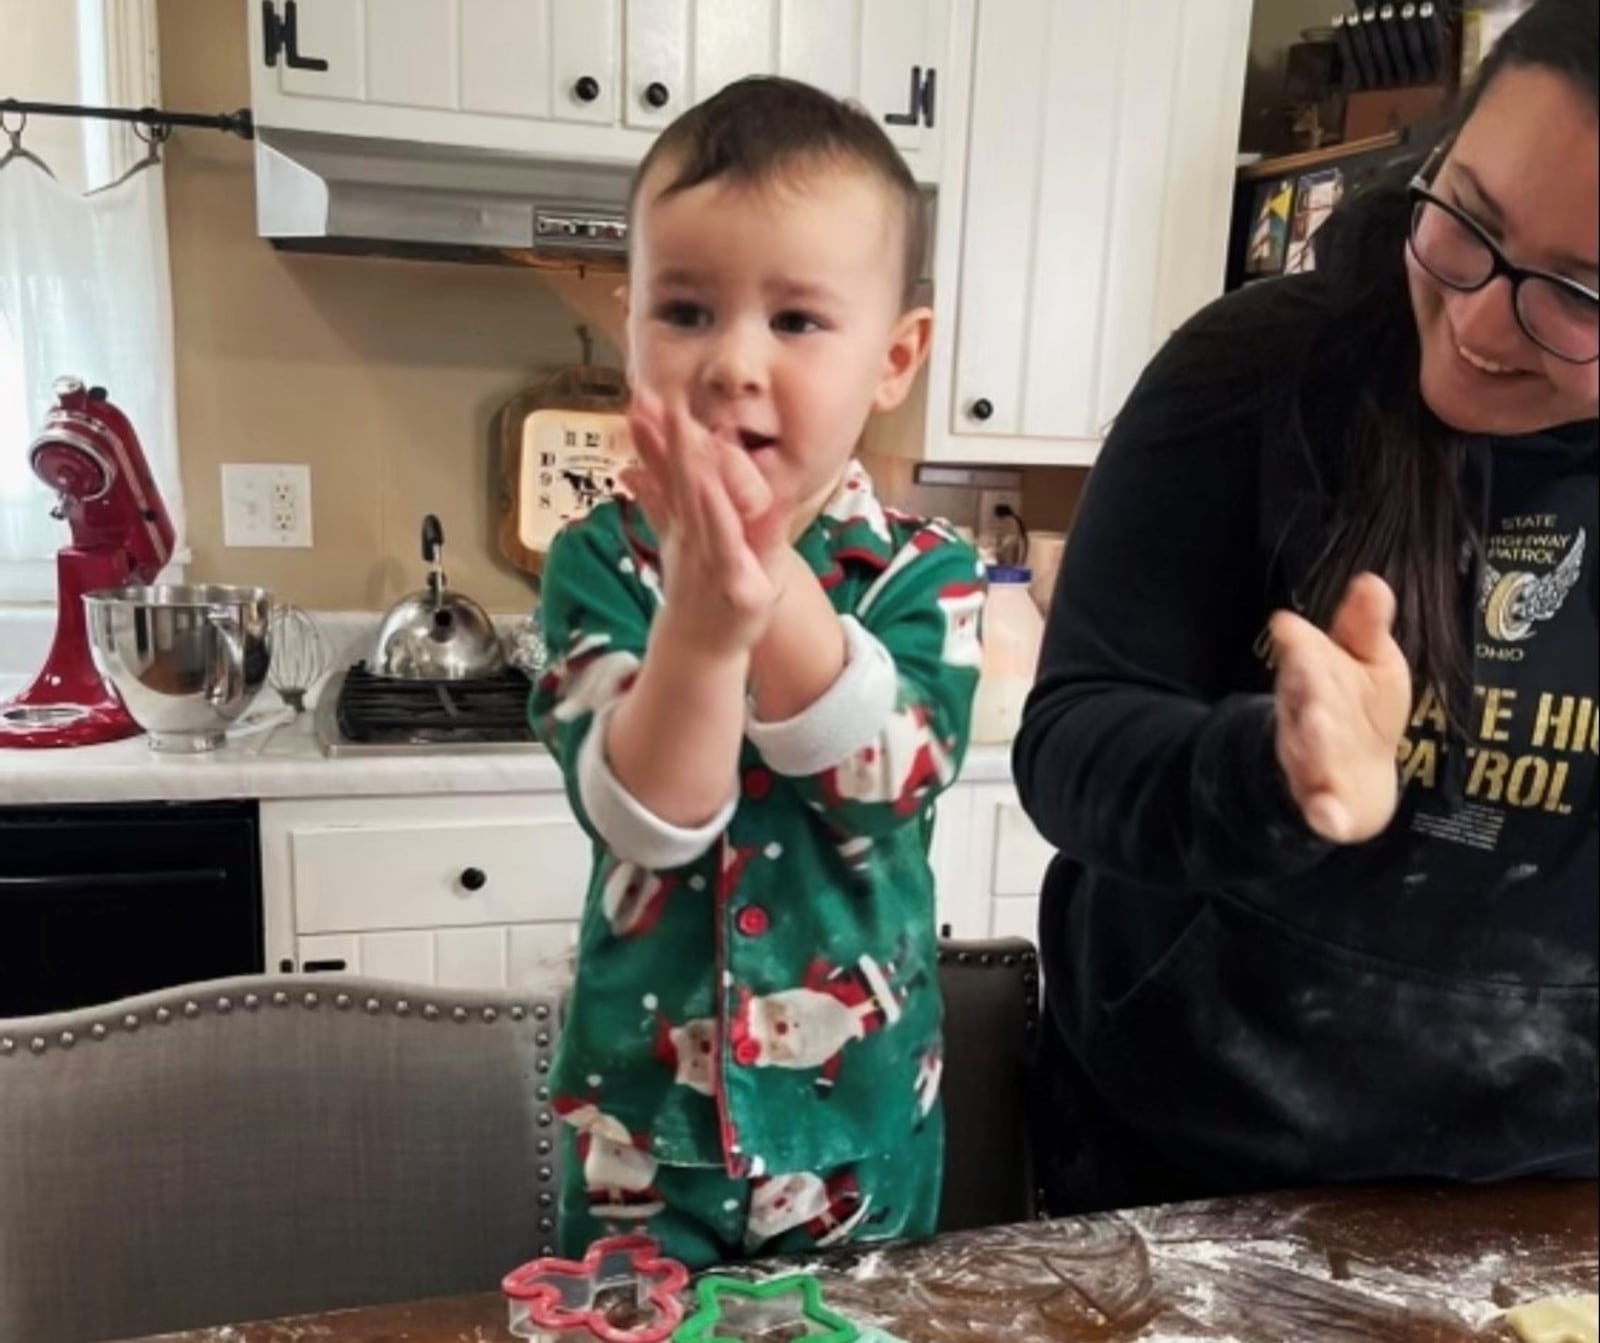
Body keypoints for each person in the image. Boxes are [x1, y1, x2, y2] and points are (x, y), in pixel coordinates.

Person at [1014, 0, 1597, 1216]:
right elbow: (1069, 742)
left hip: (1546, 1196)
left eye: (1579, 295)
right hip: (1176, 1164)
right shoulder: (1254, 370)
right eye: (1468, 222)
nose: (1482, 323)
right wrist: (1266, 772)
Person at [530, 77, 983, 1267]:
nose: (733, 362)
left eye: (794, 320)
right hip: (641, 1130)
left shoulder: (926, 574)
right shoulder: (598, 560)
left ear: (893, 356)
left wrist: (767, 583)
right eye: (684, 309)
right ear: (628, 328)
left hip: (859, 1127)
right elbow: (648, 823)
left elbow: (878, 782)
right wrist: (700, 622)